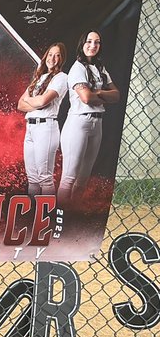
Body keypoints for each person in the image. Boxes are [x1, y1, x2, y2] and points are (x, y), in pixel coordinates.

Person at [58, 30, 120, 207]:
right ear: (82, 44)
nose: (93, 45)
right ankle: (59, 216)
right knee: (69, 177)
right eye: (89, 41)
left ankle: (73, 214)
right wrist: (104, 95)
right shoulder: (77, 68)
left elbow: (116, 95)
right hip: (79, 123)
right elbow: (86, 98)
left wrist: (98, 92)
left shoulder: (100, 68)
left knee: (83, 178)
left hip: (97, 123)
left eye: (97, 42)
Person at [17, 42, 68, 196]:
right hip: (31, 127)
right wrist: (36, 103)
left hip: (46, 128)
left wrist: (31, 101)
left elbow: (42, 101)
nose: (52, 58)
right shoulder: (39, 78)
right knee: (32, 179)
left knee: (45, 178)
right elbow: (20, 104)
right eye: (50, 54)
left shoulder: (61, 77)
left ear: (61, 59)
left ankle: (47, 211)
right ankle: (34, 210)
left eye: (57, 55)